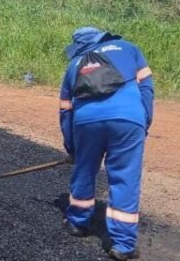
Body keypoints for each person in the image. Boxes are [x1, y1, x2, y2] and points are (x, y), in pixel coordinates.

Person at [59, 27, 154, 260]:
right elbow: (146, 90)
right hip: (128, 120)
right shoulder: (129, 49)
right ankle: (122, 245)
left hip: (86, 122)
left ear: (78, 45)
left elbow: (65, 111)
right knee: (125, 176)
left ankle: (78, 223)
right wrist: (144, 123)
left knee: (85, 170)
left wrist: (73, 148)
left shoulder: (75, 64)